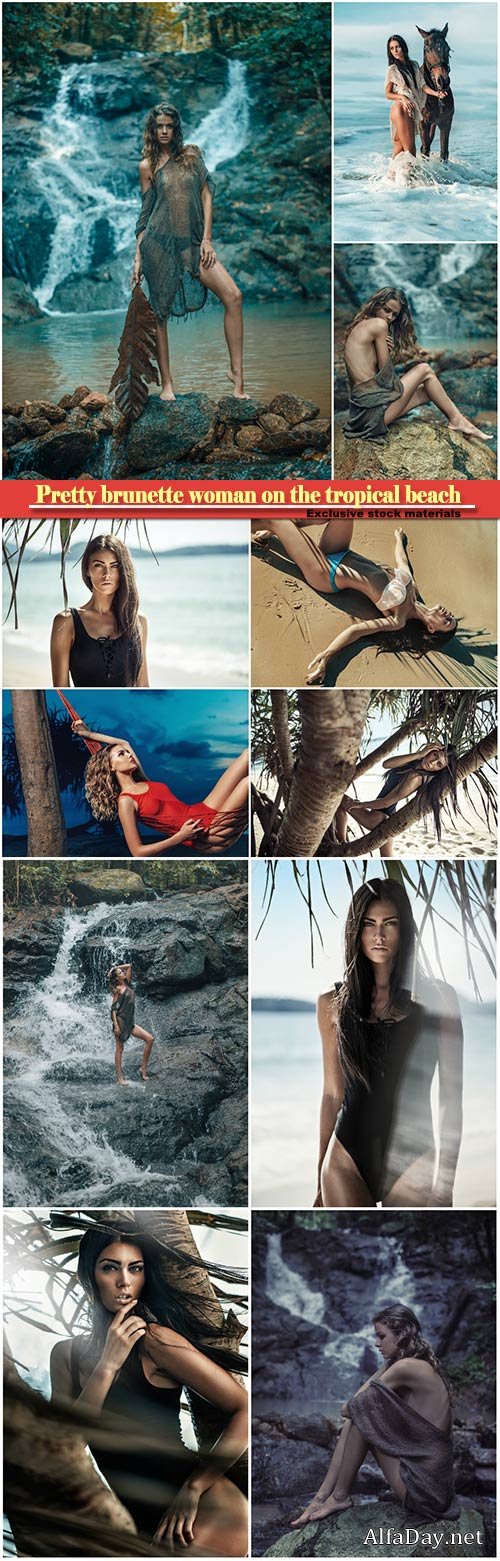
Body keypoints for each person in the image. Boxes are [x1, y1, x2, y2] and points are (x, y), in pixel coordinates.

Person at [49, 1225, 248, 1554]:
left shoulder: (155, 1341)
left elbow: (244, 1407)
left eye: (135, 1268)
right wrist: (107, 1366)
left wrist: (194, 1487)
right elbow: (64, 1447)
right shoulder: (66, 1356)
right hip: (137, 1523)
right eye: (110, 1267)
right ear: (89, 1274)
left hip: (202, 1513)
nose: (124, 1281)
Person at [315, 878, 463, 1208]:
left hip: (414, 1156)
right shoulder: (331, 1003)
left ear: (405, 929)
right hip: (345, 1158)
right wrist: (317, 1184)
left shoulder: (440, 998)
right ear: (356, 931)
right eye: (369, 924)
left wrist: (446, 1185)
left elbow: (451, 1098)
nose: (378, 935)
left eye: (389, 924)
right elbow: (332, 1094)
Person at [291, 1302, 459, 1525]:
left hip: (426, 1494)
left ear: (401, 1335)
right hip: (437, 1492)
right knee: (360, 1417)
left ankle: (337, 1497)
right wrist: (390, 1362)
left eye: (382, 1336)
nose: (377, 1343)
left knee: (361, 1418)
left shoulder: (406, 1367)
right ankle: (324, 1497)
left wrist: (387, 1365)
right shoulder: (420, 1364)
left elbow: (349, 1407)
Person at [132, 103, 248, 401]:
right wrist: (138, 257)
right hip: (158, 247)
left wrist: (207, 240)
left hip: (194, 245)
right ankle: (167, 384)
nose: (165, 131)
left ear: (177, 127)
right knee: (159, 316)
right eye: (159, 126)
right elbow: (145, 214)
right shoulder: (147, 166)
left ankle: (237, 377)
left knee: (234, 296)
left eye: (169, 125)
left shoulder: (191, 156)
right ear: (152, 129)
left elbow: (207, 194)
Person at [252, 520, 459, 685]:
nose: (449, 615)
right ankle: (286, 530)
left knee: (276, 519)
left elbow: (357, 631)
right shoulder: (413, 588)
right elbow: (402, 561)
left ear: (431, 628)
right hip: (339, 551)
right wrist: (399, 540)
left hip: (326, 573)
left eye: (448, 622)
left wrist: (327, 656)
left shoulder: (399, 619)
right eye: (452, 617)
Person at [72, 717, 249, 857]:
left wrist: (89, 734)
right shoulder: (126, 802)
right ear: (111, 767)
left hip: (202, 810)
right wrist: (179, 837)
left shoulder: (144, 781)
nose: (128, 754)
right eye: (121, 755)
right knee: (246, 784)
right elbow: (138, 852)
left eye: (127, 753)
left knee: (247, 755)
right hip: (206, 834)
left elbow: (125, 742)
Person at [342, 288, 492, 444]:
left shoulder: (360, 325)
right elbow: (386, 378)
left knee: (428, 392)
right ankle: (458, 421)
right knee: (424, 369)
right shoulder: (379, 325)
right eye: (386, 310)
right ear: (376, 304)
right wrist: (389, 353)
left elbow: (369, 376)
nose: (389, 318)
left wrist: (387, 352)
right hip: (372, 415)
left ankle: (459, 421)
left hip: (360, 416)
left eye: (394, 315)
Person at [50, 535, 149, 689]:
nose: (107, 574)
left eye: (114, 566)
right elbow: (61, 688)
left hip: (129, 712)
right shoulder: (66, 622)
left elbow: (143, 685)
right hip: (85, 711)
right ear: (88, 570)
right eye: (98, 565)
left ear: (123, 570)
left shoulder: (137, 621)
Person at [336, 739, 458, 857]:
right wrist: (419, 754)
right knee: (387, 856)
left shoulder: (417, 777)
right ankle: (342, 842)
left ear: (440, 770)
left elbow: (387, 802)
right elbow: (386, 764)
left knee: (336, 798)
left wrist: (361, 804)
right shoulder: (414, 764)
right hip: (386, 816)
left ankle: (342, 844)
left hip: (379, 816)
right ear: (430, 750)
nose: (432, 762)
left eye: (438, 764)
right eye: (435, 755)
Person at [385, 35, 445, 158]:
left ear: (404, 47)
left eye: (397, 47)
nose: (395, 51)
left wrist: (436, 93)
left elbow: (422, 86)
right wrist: (403, 97)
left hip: (410, 107)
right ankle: (410, 177)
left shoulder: (414, 65)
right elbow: (388, 93)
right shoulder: (392, 69)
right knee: (410, 151)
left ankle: (390, 177)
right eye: (392, 49)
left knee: (399, 147)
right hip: (401, 107)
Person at [109, 963, 154, 1086]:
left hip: (130, 1023)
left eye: (122, 972)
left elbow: (129, 966)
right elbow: (113, 1009)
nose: (123, 973)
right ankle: (119, 1078)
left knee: (150, 1039)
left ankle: (143, 1068)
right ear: (117, 978)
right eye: (120, 973)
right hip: (120, 1022)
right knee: (119, 1049)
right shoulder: (118, 989)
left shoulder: (127, 983)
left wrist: (114, 968)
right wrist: (116, 1026)